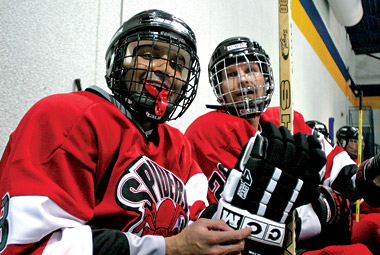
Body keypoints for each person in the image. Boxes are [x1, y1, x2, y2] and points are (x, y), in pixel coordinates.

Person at [0, 10, 255, 255]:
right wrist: (171, 248)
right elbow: (34, 245)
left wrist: (250, 212)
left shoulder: (178, 145)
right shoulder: (67, 116)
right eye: (148, 54)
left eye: (178, 65)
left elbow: (201, 218)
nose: (164, 69)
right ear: (118, 59)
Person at [184, 36, 370, 253]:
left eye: (250, 70)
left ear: (266, 77)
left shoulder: (286, 119)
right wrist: (320, 209)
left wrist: (368, 174)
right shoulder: (209, 130)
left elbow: (347, 176)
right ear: (219, 87)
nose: (242, 80)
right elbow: (239, 221)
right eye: (231, 74)